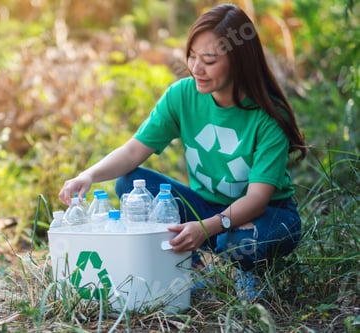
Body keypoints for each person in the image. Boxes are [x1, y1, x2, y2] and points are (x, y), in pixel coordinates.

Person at [59, 3, 307, 301]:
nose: (196, 68)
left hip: (268, 214)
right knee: (129, 184)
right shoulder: (182, 96)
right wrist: (88, 176)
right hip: (208, 206)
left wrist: (206, 229)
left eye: (210, 60)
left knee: (237, 239)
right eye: (192, 56)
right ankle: (192, 268)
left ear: (239, 61)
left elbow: (256, 200)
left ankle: (247, 272)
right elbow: (134, 151)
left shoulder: (268, 116)